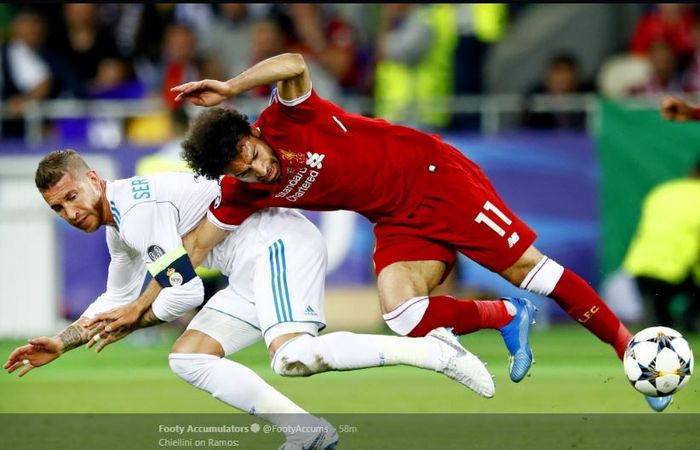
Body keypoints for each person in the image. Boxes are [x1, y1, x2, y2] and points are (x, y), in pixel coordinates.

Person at [108, 53, 655, 409]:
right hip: (394, 219)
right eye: (240, 170)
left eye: (249, 155)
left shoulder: (290, 117)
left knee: (529, 270)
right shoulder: (246, 190)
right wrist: (138, 306)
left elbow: (294, 62)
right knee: (403, 315)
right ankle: (506, 316)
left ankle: (625, 345)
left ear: (253, 131)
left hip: (436, 178)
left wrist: (231, 83)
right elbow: (196, 246)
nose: (256, 170)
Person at [4, 150, 494, 449]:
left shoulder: (136, 210)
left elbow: (184, 292)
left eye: (71, 196)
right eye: (58, 207)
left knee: (293, 357)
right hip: (248, 268)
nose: (69, 211)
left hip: (276, 244)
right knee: (189, 359)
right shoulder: (119, 229)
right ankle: (307, 432)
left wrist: (135, 316)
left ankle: (434, 350)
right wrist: (62, 342)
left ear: (92, 178)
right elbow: (117, 297)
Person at [622, 160, 700, 331]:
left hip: (641, 269)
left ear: (692, 171)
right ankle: (690, 320)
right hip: (677, 271)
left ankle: (660, 325)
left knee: (659, 326)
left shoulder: (662, 191)